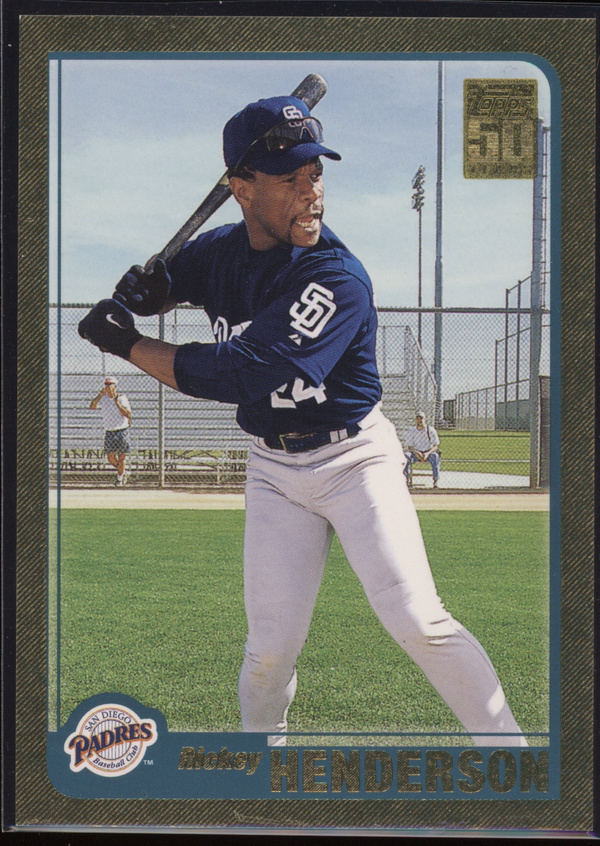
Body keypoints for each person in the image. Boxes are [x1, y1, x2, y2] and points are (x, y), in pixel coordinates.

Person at [78, 94, 526, 746]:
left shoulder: (336, 277)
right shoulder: (220, 252)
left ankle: (513, 757)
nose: (311, 191)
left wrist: (127, 343)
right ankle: (266, 769)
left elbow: (243, 373)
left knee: (417, 619)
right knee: (268, 653)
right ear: (241, 189)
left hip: (354, 459)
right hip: (274, 469)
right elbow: (175, 279)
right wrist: (153, 291)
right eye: (290, 178)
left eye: (315, 173)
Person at [89, 376, 132, 486]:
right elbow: (92, 406)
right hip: (109, 430)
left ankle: (120, 478)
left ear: (115, 386)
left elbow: (128, 414)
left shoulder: (121, 398)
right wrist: (100, 395)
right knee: (110, 457)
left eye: (110, 384)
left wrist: (118, 404)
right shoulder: (103, 399)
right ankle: (122, 471)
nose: (107, 387)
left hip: (121, 430)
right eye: (106, 384)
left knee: (122, 456)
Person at [404, 411, 441, 488]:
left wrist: (427, 453)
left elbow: (435, 446)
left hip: (428, 452)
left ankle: (436, 480)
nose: (419, 420)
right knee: (406, 456)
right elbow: (409, 447)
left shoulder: (430, 430)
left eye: (421, 418)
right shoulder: (412, 431)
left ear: (425, 419)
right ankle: (406, 479)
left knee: (435, 457)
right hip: (415, 453)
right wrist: (417, 453)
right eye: (417, 418)